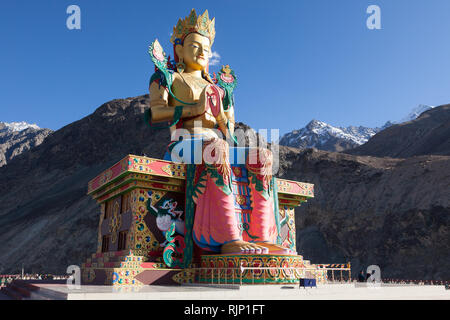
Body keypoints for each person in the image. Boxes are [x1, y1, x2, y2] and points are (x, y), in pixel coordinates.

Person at [147, 9, 292, 255]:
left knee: (263, 157)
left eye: (206, 47)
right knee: (218, 150)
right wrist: (194, 109)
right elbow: (156, 113)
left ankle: (262, 235)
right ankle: (228, 237)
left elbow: (227, 125)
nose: (202, 52)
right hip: (183, 143)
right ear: (179, 49)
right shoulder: (168, 78)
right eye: (194, 45)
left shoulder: (217, 88)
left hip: (214, 144)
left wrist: (226, 119)